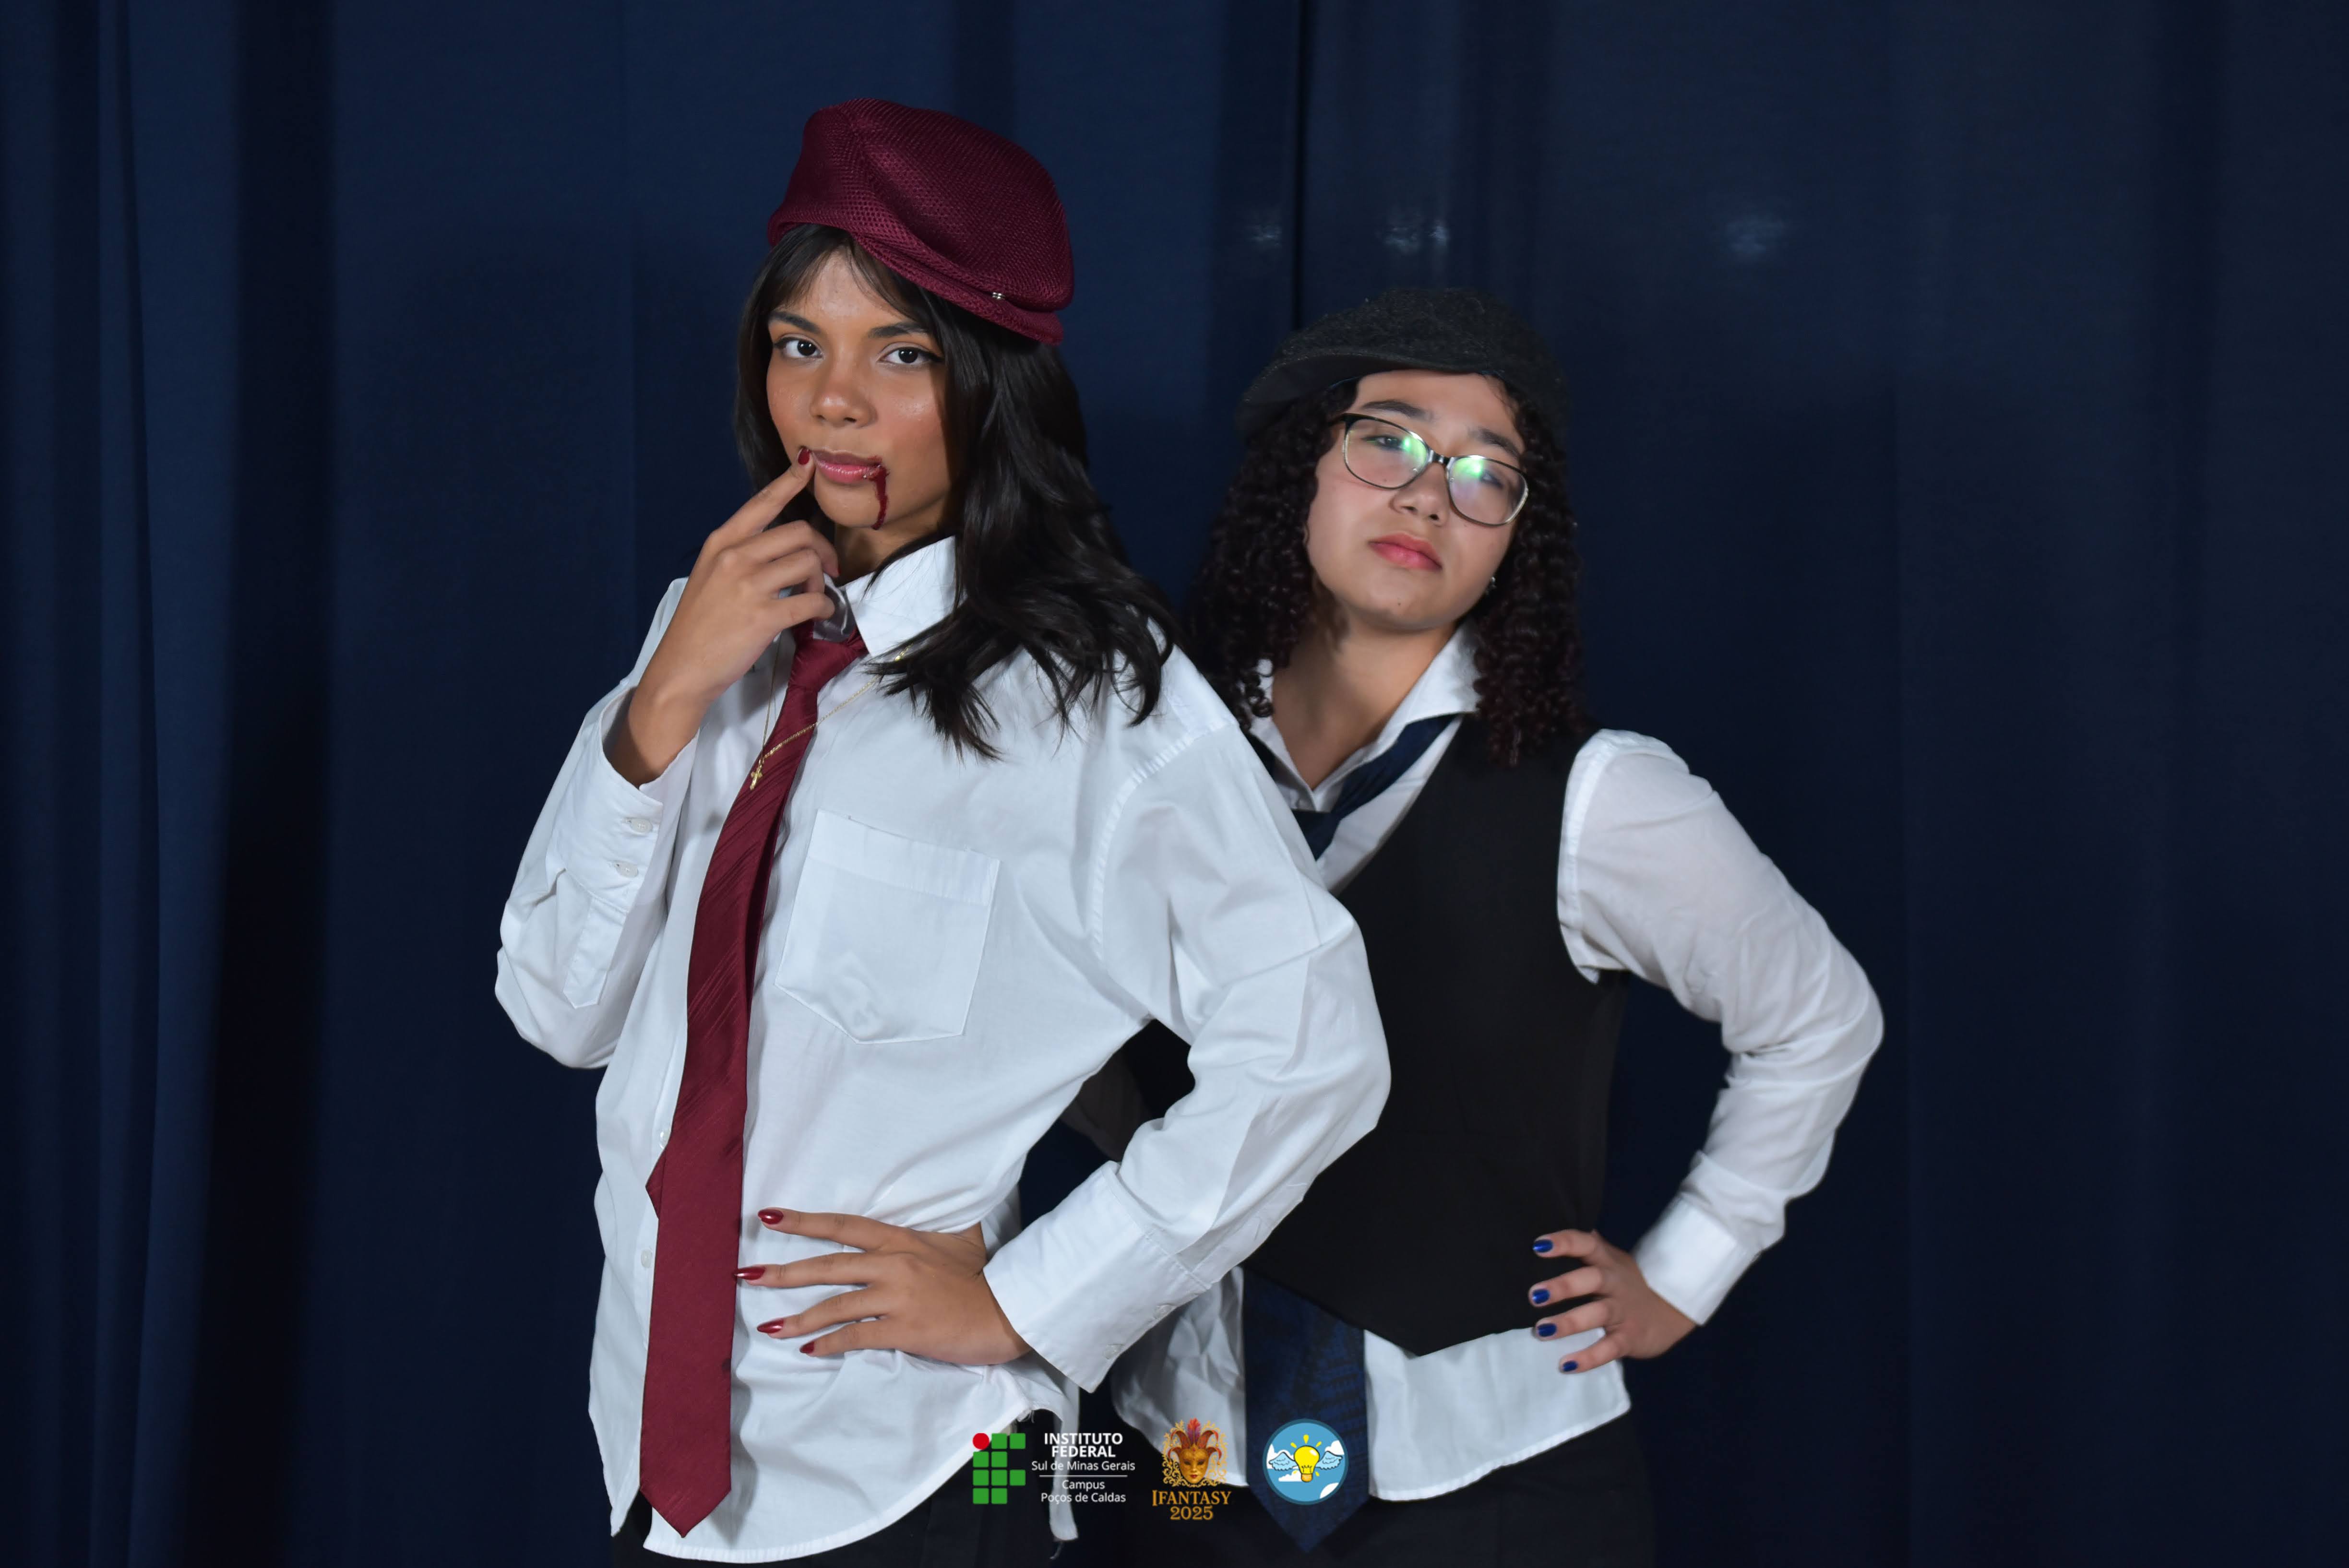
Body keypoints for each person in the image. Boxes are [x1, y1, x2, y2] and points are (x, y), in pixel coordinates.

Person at [494, 99, 1389, 1566]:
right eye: (800, 344)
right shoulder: (707, 629)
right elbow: (557, 1010)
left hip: (908, 1476)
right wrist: (661, 704)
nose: (833, 402)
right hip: (652, 1470)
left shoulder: (1095, 699)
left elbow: (1318, 1048)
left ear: (991, 380)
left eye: (899, 354)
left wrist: (1031, 1298)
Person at [1108, 288, 1884, 1566]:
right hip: (1181, 1451)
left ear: (1517, 538)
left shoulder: (1603, 799)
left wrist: (1687, 1267)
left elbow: (1820, 1017)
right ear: (1301, 466)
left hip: (1501, 1479)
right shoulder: (1148, 755)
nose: (1428, 496)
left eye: (1486, 474)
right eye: (1388, 440)